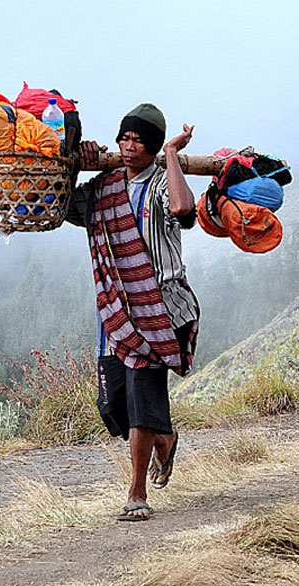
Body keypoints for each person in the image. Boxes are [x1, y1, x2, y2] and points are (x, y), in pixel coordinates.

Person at [66, 103, 199, 521]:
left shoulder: (160, 183)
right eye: (124, 138)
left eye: (138, 140)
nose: (127, 146)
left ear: (154, 146)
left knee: (142, 400)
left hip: (160, 309)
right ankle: (165, 439)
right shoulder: (105, 188)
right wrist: (76, 165)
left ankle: (137, 492)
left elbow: (182, 210)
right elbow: (62, 205)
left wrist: (173, 157)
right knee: (114, 406)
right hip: (117, 314)